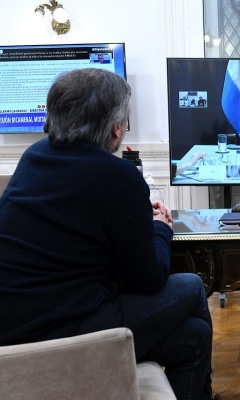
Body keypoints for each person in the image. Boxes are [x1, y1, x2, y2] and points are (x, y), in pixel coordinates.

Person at [0, 69, 216, 400]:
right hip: (64, 331)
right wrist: (160, 227)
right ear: (116, 129)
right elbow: (148, 280)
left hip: (15, 330)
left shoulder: (35, 157)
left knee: (194, 336)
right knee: (192, 286)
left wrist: (136, 216)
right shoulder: (119, 175)